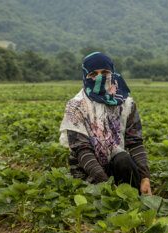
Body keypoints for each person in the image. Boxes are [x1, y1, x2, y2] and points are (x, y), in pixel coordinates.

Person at [59, 52, 152, 195]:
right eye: (93, 74)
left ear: (112, 73)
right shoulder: (76, 106)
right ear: (85, 76)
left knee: (123, 159)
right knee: (99, 202)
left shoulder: (126, 104)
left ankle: (136, 204)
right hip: (86, 170)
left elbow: (135, 143)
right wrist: (105, 184)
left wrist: (145, 178)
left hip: (114, 164)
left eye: (105, 72)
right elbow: (82, 150)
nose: (100, 77)